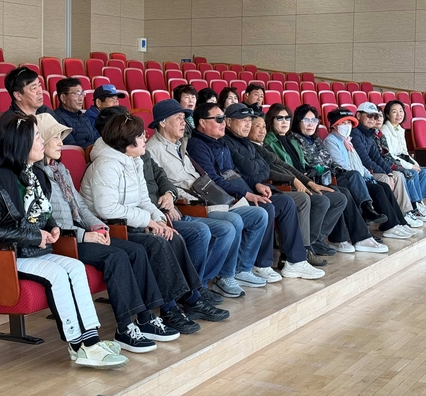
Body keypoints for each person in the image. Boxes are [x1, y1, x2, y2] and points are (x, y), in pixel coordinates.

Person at [0, 112, 127, 369]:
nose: (42, 142)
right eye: (37, 137)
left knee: (75, 268)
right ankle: (77, 345)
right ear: (20, 144)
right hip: (4, 255)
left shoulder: (34, 175)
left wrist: (52, 228)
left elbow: (43, 213)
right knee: (58, 274)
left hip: (32, 250)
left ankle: (91, 341)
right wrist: (33, 235)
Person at [37, 113, 179, 353]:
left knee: (136, 251)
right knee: (116, 256)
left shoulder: (61, 170)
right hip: (65, 240)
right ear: (41, 141)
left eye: (61, 137)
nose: (61, 142)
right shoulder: (38, 175)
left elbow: (81, 207)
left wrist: (97, 226)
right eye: (55, 138)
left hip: (81, 233)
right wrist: (84, 235)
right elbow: (49, 220)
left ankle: (145, 319)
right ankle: (124, 328)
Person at [80, 113, 229, 328]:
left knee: (173, 237)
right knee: (157, 243)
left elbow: (143, 199)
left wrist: (160, 221)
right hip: (112, 228)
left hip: (131, 223)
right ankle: (170, 309)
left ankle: (192, 298)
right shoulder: (106, 165)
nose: (145, 137)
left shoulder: (135, 160)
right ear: (127, 141)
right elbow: (107, 209)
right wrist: (147, 222)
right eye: (140, 135)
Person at [187, 102, 324, 281]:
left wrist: (256, 185)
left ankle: (295, 261)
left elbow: (239, 172)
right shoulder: (198, 145)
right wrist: (246, 193)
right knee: (266, 207)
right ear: (202, 122)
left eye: (249, 120)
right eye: (219, 119)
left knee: (286, 202)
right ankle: (260, 265)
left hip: (242, 190)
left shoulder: (220, 143)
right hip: (226, 198)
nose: (222, 123)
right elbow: (213, 181)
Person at [145, 100, 269, 292]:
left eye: (184, 118)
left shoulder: (181, 144)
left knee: (259, 214)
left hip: (209, 199)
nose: (184, 123)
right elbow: (158, 186)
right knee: (232, 222)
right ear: (162, 122)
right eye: (178, 118)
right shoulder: (152, 150)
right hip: (191, 205)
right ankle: (213, 279)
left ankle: (241, 269)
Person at [226, 105, 346, 264]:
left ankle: (311, 243)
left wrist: (307, 182)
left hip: (280, 185)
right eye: (257, 126)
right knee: (310, 200)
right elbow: (257, 171)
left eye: (263, 126)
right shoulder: (249, 144)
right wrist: (291, 180)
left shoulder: (267, 144)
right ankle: (301, 250)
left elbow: (279, 167)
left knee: (339, 197)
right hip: (268, 188)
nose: (262, 130)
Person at [270, 104, 388, 254]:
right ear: (298, 122)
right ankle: (347, 235)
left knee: (348, 189)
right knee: (344, 188)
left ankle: (346, 235)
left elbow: (328, 162)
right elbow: (303, 166)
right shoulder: (295, 139)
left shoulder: (312, 140)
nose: (311, 124)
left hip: (322, 177)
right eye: (306, 120)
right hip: (310, 180)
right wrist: (317, 173)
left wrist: (330, 170)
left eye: (314, 120)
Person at [323, 107, 417, 240]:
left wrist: (368, 176)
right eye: (343, 123)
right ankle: (386, 223)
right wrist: (362, 178)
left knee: (382, 187)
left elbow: (359, 164)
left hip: (358, 178)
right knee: (378, 189)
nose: (347, 126)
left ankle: (398, 222)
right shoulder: (331, 141)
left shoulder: (347, 140)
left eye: (349, 123)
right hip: (347, 179)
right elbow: (342, 166)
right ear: (335, 125)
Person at [351, 103, 421, 228]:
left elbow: (377, 157)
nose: (373, 119)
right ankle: (389, 221)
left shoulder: (369, 133)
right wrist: (385, 174)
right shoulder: (355, 134)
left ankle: (404, 214)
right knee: (384, 179)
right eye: (369, 116)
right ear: (358, 115)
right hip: (362, 172)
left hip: (371, 169)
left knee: (397, 175)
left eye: (375, 116)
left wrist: (389, 171)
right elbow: (365, 160)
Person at [381, 100, 426, 217]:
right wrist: (410, 166)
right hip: (393, 161)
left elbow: (405, 153)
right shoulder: (384, 129)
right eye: (394, 112)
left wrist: (416, 165)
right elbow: (390, 155)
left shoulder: (400, 128)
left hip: (402, 159)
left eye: (401, 111)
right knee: (412, 173)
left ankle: (420, 202)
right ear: (388, 115)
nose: (399, 114)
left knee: (423, 171)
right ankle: (414, 206)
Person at [53, 77, 99, 149]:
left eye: (82, 93)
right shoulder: (57, 119)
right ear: (63, 98)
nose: (81, 98)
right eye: (77, 93)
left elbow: (96, 138)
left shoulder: (83, 117)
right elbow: (72, 149)